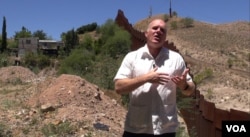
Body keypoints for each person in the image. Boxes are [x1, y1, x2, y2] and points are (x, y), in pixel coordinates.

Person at [114, 19, 195, 137]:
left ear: (165, 36)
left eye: (162, 30)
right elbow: (119, 87)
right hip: (135, 129)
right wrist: (146, 78)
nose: (158, 31)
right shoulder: (132, 57)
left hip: (165, 130)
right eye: (155, 28)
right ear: (146, 34)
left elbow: (190, 91)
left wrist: (184, 85)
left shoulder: (175, 59)